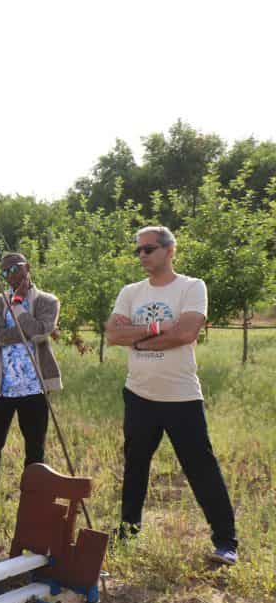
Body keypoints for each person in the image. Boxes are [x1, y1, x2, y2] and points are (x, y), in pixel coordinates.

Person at [105, 226, 238, 565]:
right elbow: (113, 334)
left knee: (200, 467)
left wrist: (136, 337)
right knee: (135, 466)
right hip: (139, 394)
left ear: (169, 250)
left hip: (181, 396)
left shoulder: (192, 288)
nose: (142, 256)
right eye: (138, 251)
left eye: (148, 249)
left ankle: (226, 542)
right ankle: (129, 534)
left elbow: (186, 332)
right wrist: (155, 328)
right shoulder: (131, 292)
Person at [0, 253, 61, 516]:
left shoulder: (47, 301)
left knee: (35, 449)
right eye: (5, 272)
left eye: (15, 269)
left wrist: (19, 305)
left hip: (35, 388)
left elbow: (41, 331)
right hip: (2, 388)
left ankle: (33, 506)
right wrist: (27, 329)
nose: (11, 275)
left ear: (28, 268)